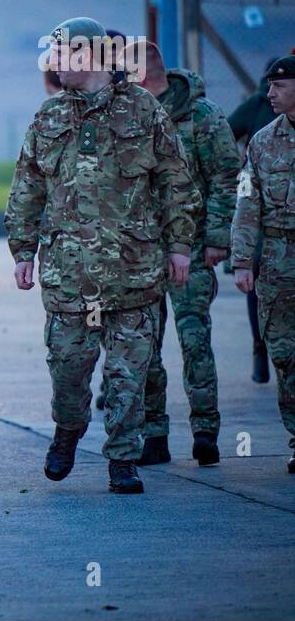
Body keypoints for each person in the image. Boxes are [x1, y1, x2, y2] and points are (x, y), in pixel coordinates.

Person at [5, 17, 200, 495]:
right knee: (69, 372)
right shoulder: (48, 117)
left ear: (87, 55)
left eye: (59, 53)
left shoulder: (143, 111)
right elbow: (26, 189)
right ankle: (68, 431)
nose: (51, 63)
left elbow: (176, 182)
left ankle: (123, 459)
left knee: (128, 374)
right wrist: (22, 251)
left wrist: (179, 246)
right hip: (70, 277)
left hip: (134, 269)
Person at [128, 42, 239, 467]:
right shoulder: (131, 114)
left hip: (190, 247)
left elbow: (226, 177)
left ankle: (205, 430)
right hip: (140, 252)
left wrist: (216, 238)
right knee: (144, 346)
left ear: (143, 71)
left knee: (194, 339)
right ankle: (154, 433)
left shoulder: (203, 115)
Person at [232, 53, 295, 474]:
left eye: (279, 86)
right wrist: (242, 259)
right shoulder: (263, 140)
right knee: (286, 353)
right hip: (277, 258)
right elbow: (246, 203)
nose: (269, 93)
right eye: (270, 86)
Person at [230, 62, 281, 384]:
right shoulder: (259, 111)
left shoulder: (261, 104)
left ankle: (266, 348)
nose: (274, 92)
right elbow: (226, 133)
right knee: (258, 288)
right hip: (266, 225)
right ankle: (260, 347)